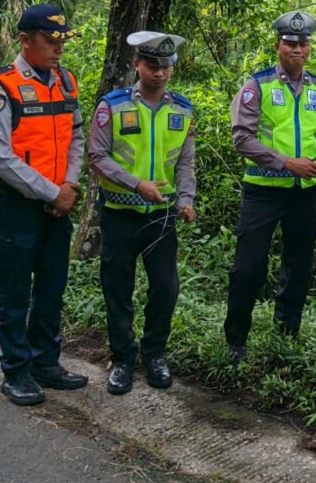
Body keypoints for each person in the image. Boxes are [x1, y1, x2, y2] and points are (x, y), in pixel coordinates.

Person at [0, 4, 89, 406]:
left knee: (52, 288)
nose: (59, 49)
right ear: (25, 40)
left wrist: (68, 186)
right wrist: (51, 192)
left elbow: (76, 137)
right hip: (17, 208)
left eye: (63, 41)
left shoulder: (66, 82)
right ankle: (16, 370)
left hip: (58, 205)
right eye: (50, 41)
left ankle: (45, 362)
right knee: (15, 290)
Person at [88, 31, 197, 396]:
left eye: (166, 66)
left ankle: (154, 354)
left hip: (161, 216)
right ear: (137, 65)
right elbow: (97, 156)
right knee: (118, 289)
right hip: (120, 214)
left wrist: (187, 198)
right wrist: (136, 184)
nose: (159, 72)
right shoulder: (112, 105)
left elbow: (185, 161)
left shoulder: (182, 109)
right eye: (152, 65)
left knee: (166, 288)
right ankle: (122, 359)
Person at [223, 10, 316, 365]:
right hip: (263, 192)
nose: (296, 49)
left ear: (310, 48)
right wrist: (287, 163)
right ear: (278, 46)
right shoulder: (257, 86)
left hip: (304, 194)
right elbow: (242, 139)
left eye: (302, 44)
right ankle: (236, 341)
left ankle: (286, 337)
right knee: (248, 268)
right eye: (289, 43)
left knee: (298, 267)